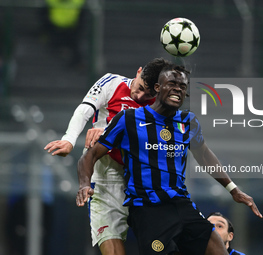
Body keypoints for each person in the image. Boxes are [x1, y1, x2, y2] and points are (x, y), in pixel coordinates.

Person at [76, 63, 263, 255]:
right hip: (148, 210)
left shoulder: (188, 121)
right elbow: (89, 156)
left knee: (218, 249)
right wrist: (84, 184)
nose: (178, 89)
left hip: (181, 204)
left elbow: (205, 155)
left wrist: (233, 190)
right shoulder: (129, 119)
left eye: (182, 86)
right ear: (157, 87)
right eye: (172, 83)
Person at [45, 57, 171, 255]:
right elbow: (85, 109)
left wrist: (106, 133)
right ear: (138, 72)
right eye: (139, 88)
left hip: (143, 181)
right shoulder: (111, 82)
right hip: (105, 177)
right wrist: (69, 139)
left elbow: (150, 144)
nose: (140, 96)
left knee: (163, 248)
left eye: (147, 95)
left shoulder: (162, 105)